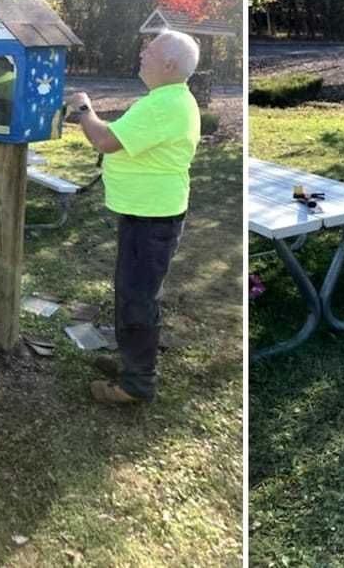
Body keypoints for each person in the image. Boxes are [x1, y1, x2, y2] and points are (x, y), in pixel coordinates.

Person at [66, 29, 202, 404]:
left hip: (153, 218)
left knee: (139, 299)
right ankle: (130, 364)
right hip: (147, 214)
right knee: (130, 293)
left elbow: (106, 140)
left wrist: (83, 110)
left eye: (151, 50)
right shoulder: (169, 99)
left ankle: (136, 384)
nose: (142, 53)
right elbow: (124, 136)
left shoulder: (164, 104)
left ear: (170, 64)